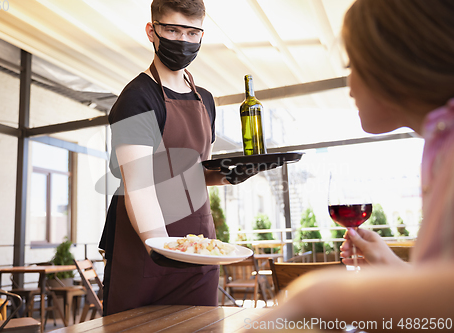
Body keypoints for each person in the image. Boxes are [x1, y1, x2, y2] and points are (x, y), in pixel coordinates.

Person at [250, 0, 454, 329]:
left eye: (352, 65)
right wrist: (389, 264)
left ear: (391, 62)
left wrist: (316, 295)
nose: (349, 87)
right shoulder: (441, 143)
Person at [99, 0, 258, 315]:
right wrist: (161, 246)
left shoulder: (206, 101)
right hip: (145, 245)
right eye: (172, 30)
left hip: (199, 247)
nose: (182, 41)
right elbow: (139, 185)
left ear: (201, 35)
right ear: (152, 31)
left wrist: (227, 174)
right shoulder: (137, 99)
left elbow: (196, 172)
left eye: (191, 32)